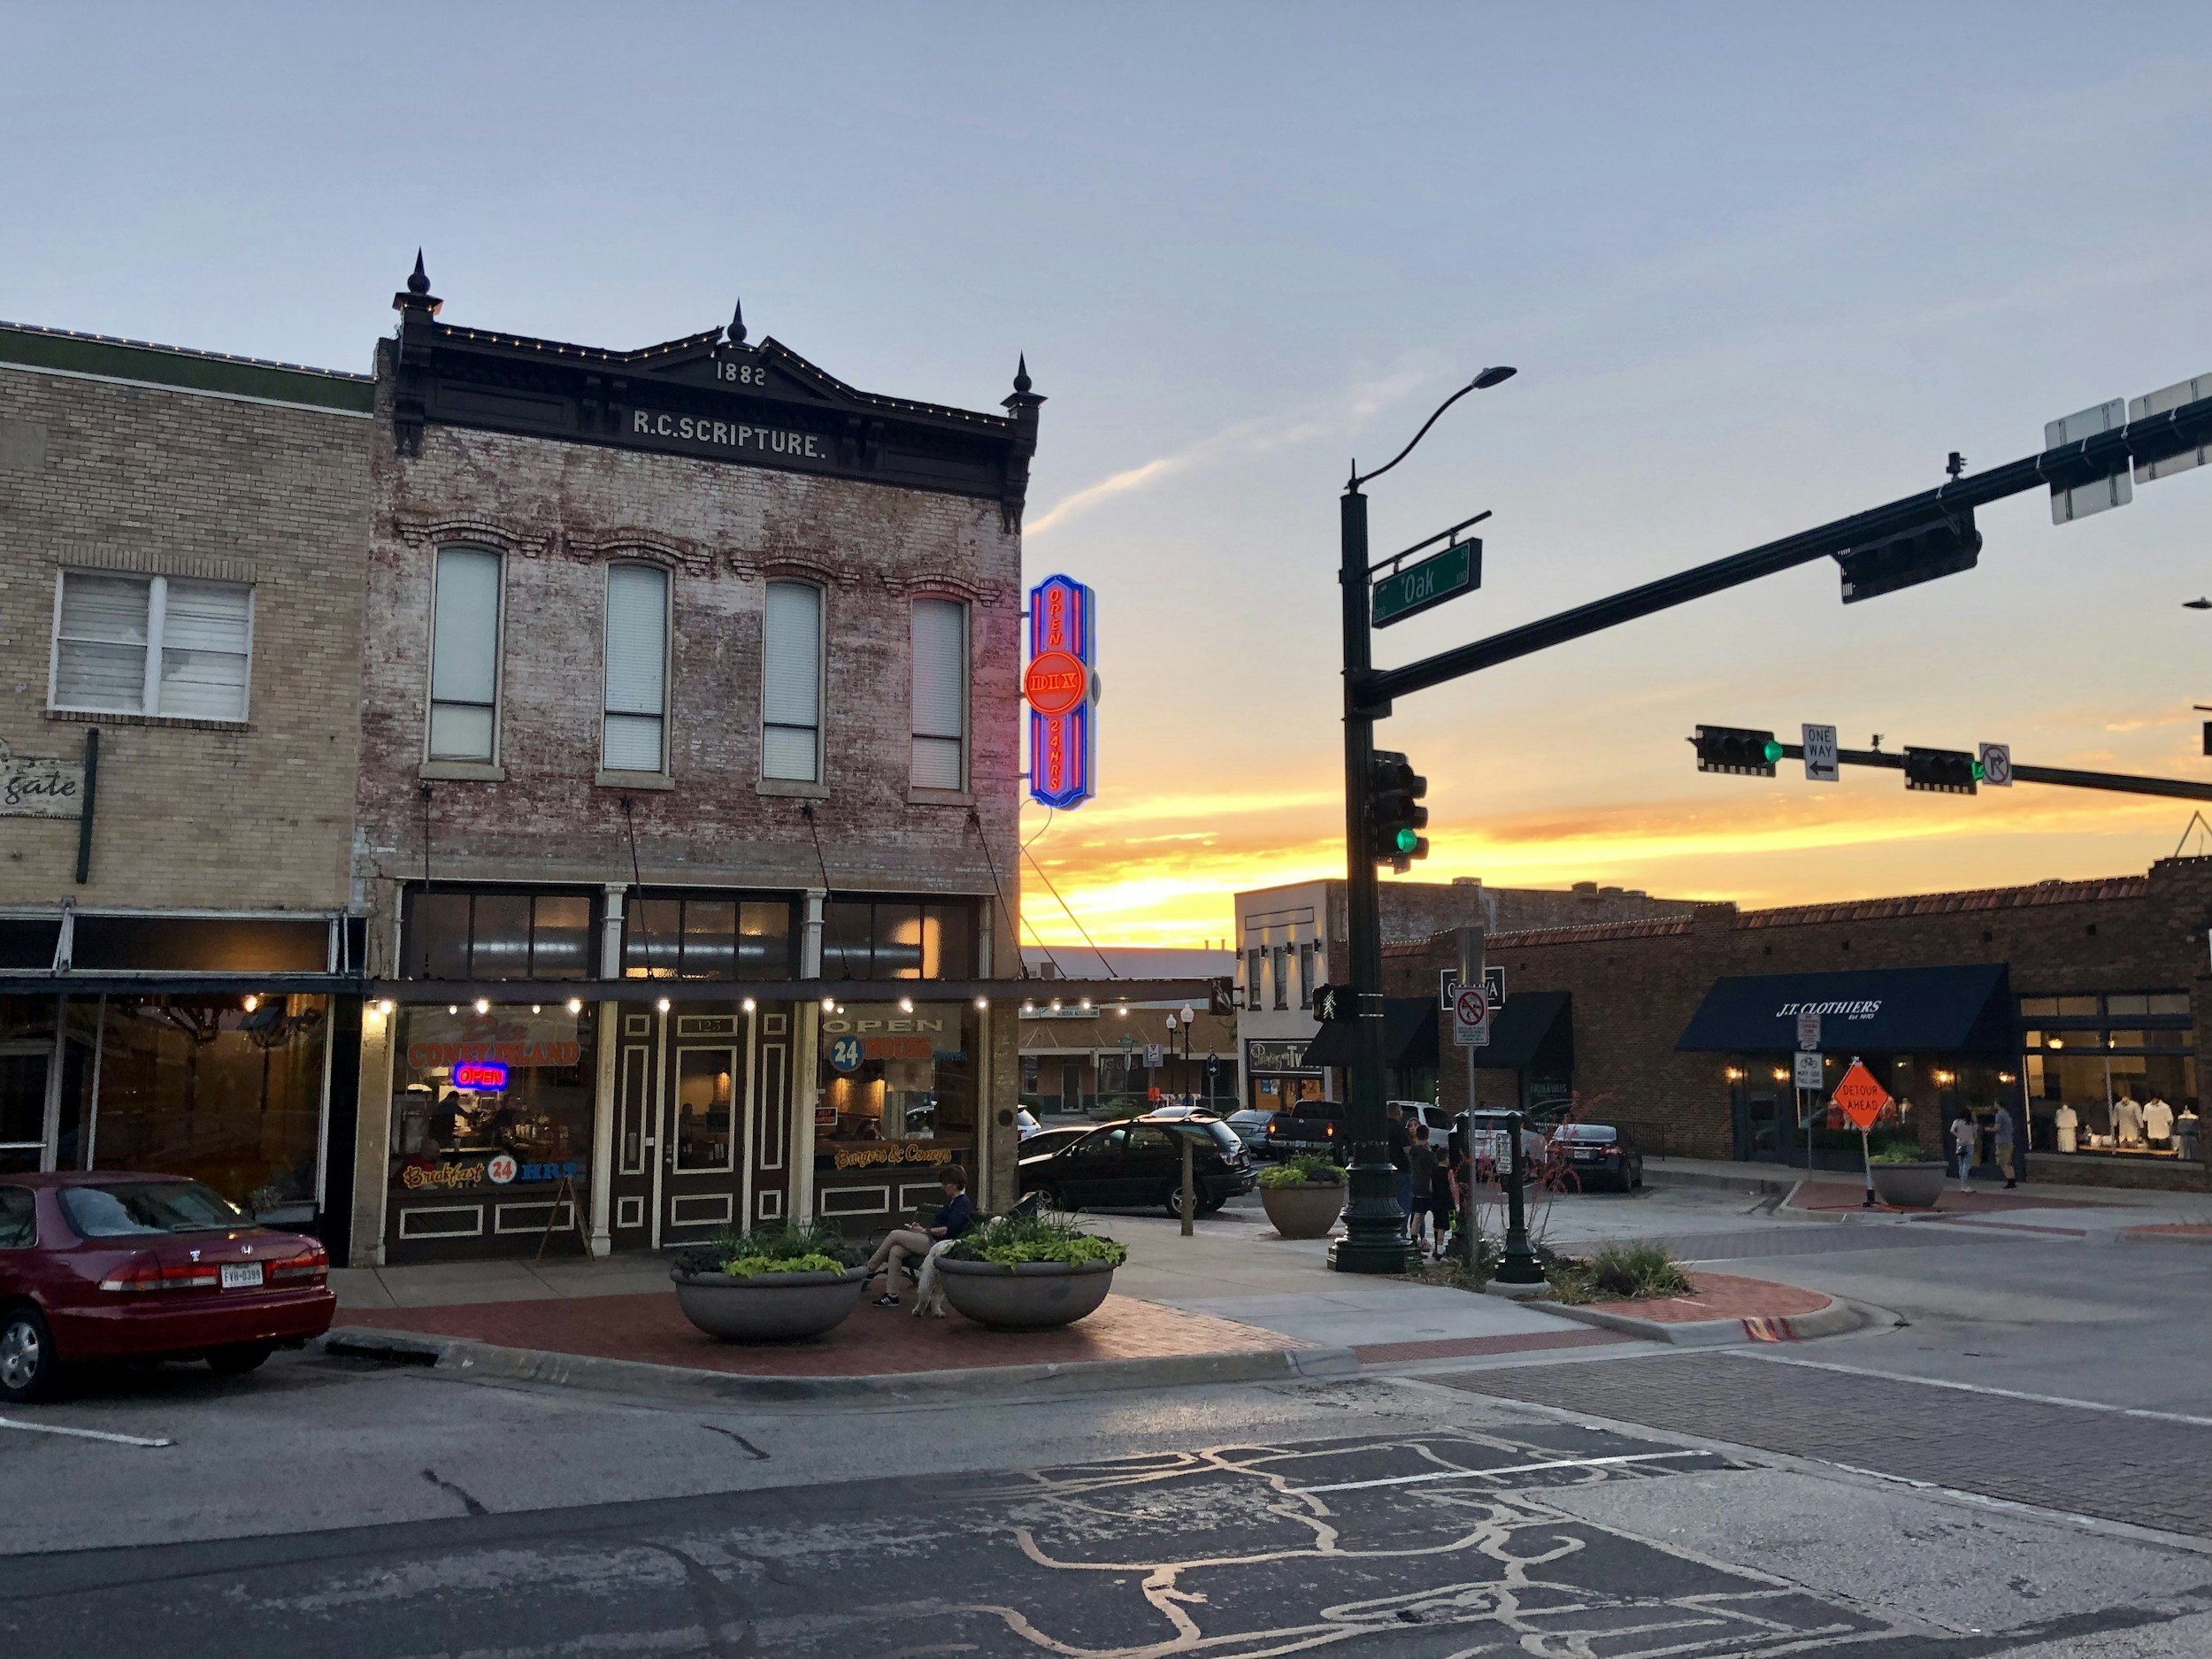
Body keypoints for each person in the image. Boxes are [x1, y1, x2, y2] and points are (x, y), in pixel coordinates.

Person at [861, 1166, 973, 1308]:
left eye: (946, 1183)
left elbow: (948, 1229)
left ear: (956, 1184)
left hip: (940, 1245)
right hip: (932, 1239)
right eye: (943, 1183)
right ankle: (892, 1296)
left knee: (895, 1234)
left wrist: (924, 1231)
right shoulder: (952, 1201)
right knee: (896, 1250)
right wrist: (920, 1229)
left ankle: (868, 1270)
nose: (943, 1187)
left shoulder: (962, 1203)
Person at [1407, 1124, 1439, 1256]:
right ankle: (1438, 1245)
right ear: (1427, 1136)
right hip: (1427, 1187)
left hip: (1415, 1185)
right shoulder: (1427, 1154)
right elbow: (1434, 1168)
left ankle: (1414, 1243)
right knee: (1433, 1215)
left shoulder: (1413, 1151)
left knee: (1417, 1215)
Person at [1386, 1103, 1413, 1223]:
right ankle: (1401, 1233)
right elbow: (1407, 1150)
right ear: (1397, 1113)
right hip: (1401, 1170)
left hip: (1386, 1171)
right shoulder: (1399, 1129)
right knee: (1404, 1204)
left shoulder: (1381, 1128)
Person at [1992, 1103, 2017, 1189]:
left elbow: (1997, 1128)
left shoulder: (1999, 1115)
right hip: (2009, 1141)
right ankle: (2012, 1181)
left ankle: (2010, 1181)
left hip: (2002, 1141)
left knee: (2002, 1162)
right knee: (2008, 1162)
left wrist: (1987, 1129)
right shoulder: (2007, 1115)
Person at [1950, 1113, 1978, 1188]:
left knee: (1961, 1164)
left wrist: (1959, 1136)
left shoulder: (1957, 1121)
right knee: (1967, 1164)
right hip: (1970, 1143)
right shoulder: (1972, 1123)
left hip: (1960, 1143)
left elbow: (1952, 1130)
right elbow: (1975, 1135)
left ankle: (1961, 1183)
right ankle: (1964, 1184)